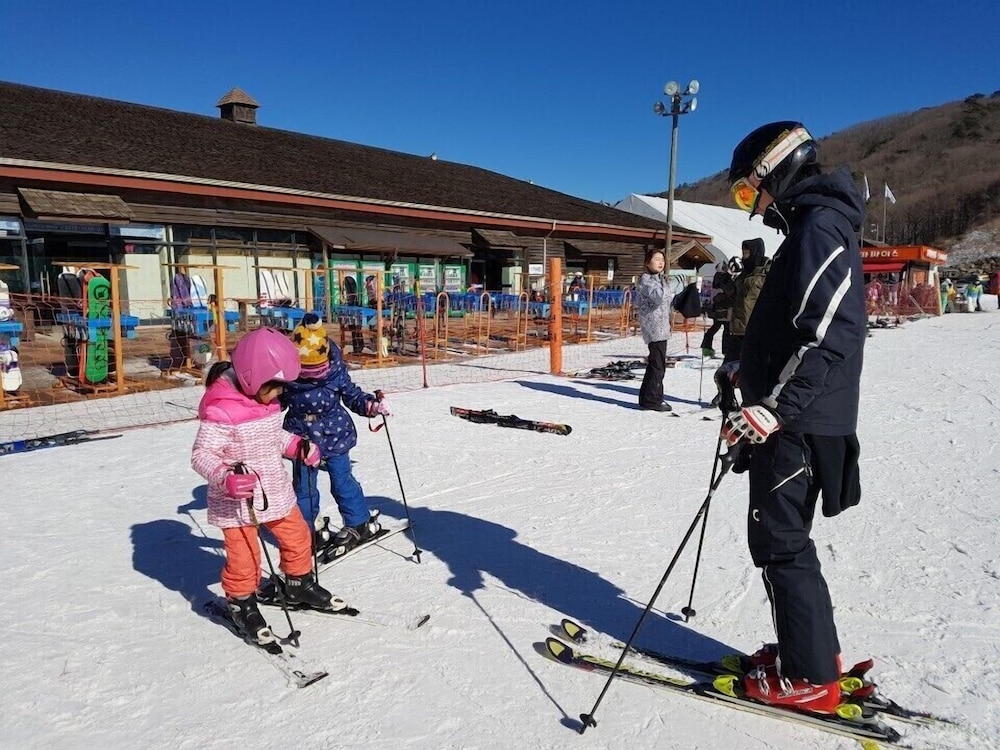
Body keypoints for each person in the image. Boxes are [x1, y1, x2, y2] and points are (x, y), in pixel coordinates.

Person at [722, 121, 867, 714]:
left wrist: (773, 407)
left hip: (798, 422)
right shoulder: (810, 227)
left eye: (746, 192)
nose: (751, 209)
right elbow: (793, 326)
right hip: (796, 416)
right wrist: (746, 371)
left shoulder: (818, 226)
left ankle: (809, 677)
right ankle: (809, 653)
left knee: (780, 543)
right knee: (785, 540)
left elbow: (831, 332)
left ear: (774, 173)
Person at [191, 327, 339, 646]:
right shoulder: (221, 410)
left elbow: (273, 437)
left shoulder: (266, 403)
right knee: (245, 558)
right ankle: (241, 602)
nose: (278, 394)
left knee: (298, 537)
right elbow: (201, 454)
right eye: (275, 387)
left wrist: (297, 446)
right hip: (238, 500)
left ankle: (298, 583)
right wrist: (225, 477)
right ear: (251, 379)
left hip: (274, 489)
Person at [282, 313, 391, 558]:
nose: (315, 376)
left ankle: (358, 521)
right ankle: (307, 529)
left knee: (342, 481)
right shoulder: (287, 380)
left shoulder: (335, 372)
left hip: (335, 434)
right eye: (307, 371)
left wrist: (372, 406)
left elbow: (352, 396)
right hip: (301, 439)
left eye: (319, 370)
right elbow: (274, 402)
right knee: (304, 487)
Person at [635, 248, 673, 412]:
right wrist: (671, 285)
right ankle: (652, 400)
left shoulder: (659, 280)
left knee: (657, 363)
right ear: (647, 263)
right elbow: (660, 296)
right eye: (656, 259)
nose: (660, 262)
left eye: (662, 260)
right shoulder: (646, 281)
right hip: (654, 328)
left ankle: (648, 397)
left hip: (662, 327)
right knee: (657, 365)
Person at [701, 264, 734, 359]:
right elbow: (729, 292)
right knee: (726, 330)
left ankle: (706, 347)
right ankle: (726, 351)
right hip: (725, 308)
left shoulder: (716, 277)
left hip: (716, 308)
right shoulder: (726, 278)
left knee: (715, 327)